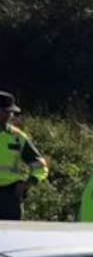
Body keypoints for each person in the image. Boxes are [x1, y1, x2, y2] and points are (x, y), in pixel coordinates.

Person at [0, 91, 49, 221]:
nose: (9, 115)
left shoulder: (18, 137)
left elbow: (40, 166)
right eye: (5, 111)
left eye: (11, 112)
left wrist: (29, 183)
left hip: (9, 197)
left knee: (10, 233)